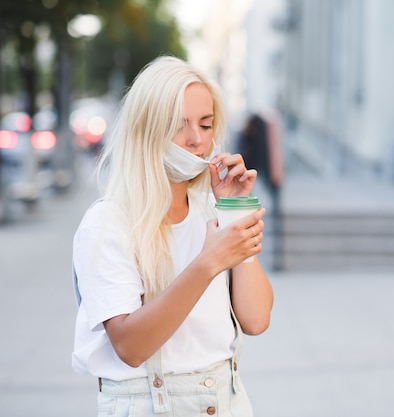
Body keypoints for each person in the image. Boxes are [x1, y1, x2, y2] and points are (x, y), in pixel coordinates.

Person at [71, 56, 274, 417]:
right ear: (145, 128)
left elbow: (256, 320)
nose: (197, 140)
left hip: (228, 400)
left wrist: (235, 213)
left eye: (206, 124)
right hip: (151, 404)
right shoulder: (107, 223)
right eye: (179, 126)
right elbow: (131, 347)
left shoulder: (212, 211)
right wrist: (208, 262)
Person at [237, 111, 284, 270]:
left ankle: (270, 260)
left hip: (258, 180)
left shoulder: (254, 135)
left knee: (261, 222)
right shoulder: (251, 135)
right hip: (254, 181)